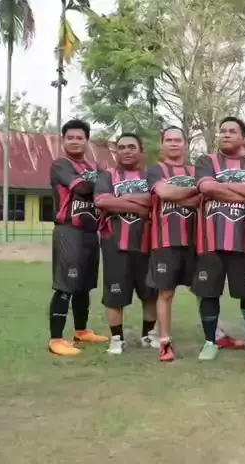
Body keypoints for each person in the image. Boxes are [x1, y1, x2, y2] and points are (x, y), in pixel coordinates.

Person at [193, 117, 245, 361]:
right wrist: (244, 194)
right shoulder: (206, 161)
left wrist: (222, 189)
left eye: (232, 131)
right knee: (209, 293)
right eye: (223, 131)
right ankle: (210, 342)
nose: (226, 135)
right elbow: (206, 188)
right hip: (210, 241)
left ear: (243, 137)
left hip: (243, 241)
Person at [47, 119, 108, 356]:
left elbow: (107, 187)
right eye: (70, 137)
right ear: (63, 140)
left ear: (86, 141)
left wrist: (100, 183)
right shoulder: (61, 165)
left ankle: (81, 331)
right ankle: (55, 339)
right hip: (69, 230)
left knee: (84, 286)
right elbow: (82, 189)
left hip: (91, 232)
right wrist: (101, 184)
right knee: (66, 285)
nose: (74, 141)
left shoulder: (93, 167)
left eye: (79, 138)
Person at [94, 133, 158, 355]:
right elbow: (102, 201)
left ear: (141, 151)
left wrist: (120, 201)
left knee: (150, 293)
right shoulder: (106, 176)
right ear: (116, 151)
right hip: (115, 245)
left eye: (132, 146)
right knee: (115, 295)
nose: (126, 151)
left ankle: (148, 336)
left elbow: (155, 199)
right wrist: (140, 207)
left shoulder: (151, 175)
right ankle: (116, 339)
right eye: (122, 147)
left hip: (147, 243)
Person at [146, 126, 200, 362]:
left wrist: (184, 195)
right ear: (162, 144)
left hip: (196, 241)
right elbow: (165, 193)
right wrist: (195, 190)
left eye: (178, 140)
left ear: (185, 144)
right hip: (165, 241)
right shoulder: (155, 170)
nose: (174, 143)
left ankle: (214, 335)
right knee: (166, 292)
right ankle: (165, 342)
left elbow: (202, 200)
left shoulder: (196, 171)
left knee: (204, 290)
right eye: (169, 140)